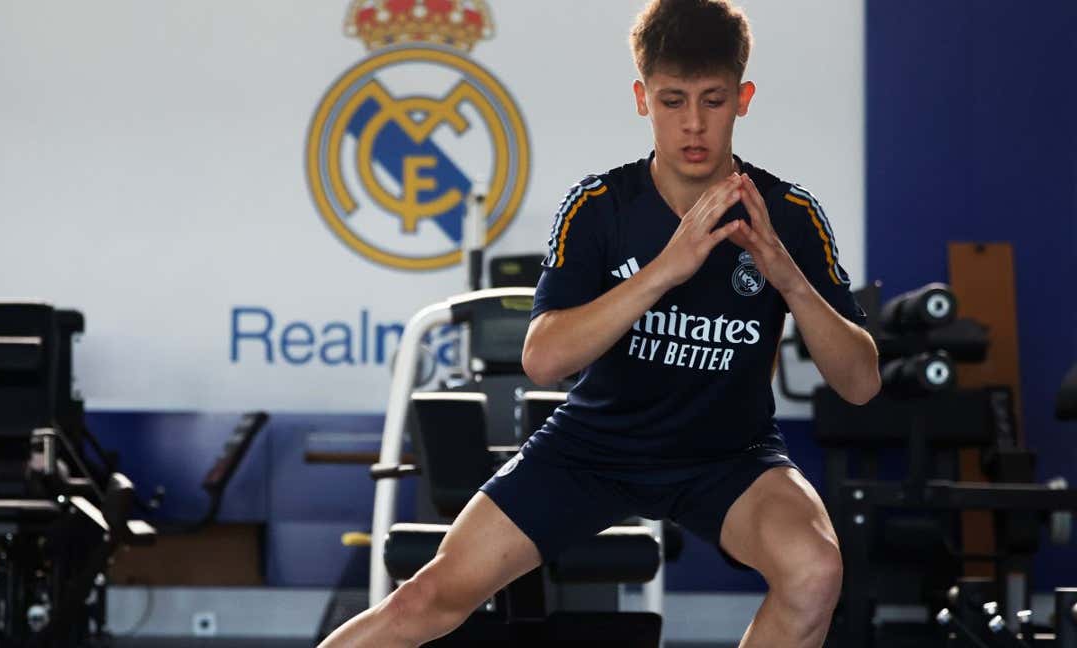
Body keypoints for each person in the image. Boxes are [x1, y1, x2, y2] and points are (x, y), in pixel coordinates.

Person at [320, 0, 879, 646]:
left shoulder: (788, 213)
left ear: (743, 98)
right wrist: (668, 268)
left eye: (713, 100)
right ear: (643, 99)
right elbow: (544, 359)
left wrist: (786, 275)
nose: (693, 124)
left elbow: (861, 384)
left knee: (814, 572)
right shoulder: (598, 207)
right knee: (425, 597)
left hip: (728, 457)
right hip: (591, 450)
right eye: (673, 101)